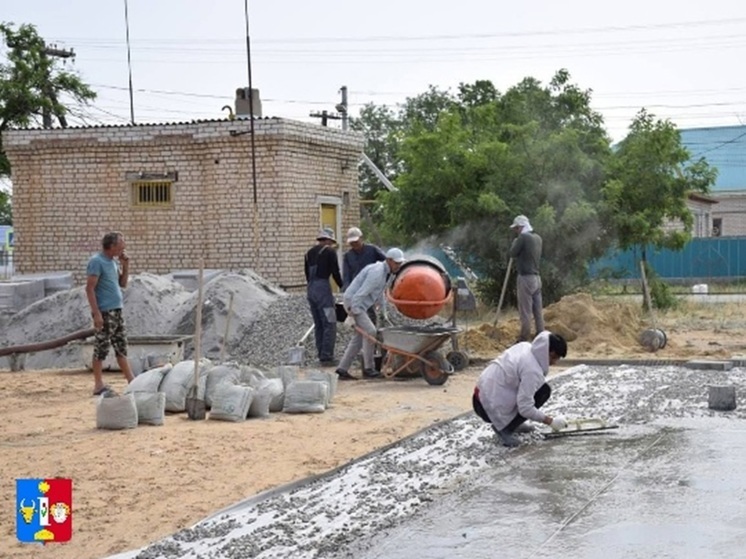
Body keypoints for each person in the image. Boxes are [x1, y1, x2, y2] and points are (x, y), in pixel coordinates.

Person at [472, 331, 568, 447]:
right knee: (543, 392)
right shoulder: (532, 371)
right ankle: (505, 429)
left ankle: (512, 423)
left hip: (479, 396)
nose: (554, 362)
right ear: (545, 351)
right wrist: (550, 421)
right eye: (553, 357)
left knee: (540, 388)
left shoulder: (525, 346)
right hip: (487, 408)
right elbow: (525, 408)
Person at [335, 247, 406, 381]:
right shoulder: (377, 273)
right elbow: (361, 293)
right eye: (397, 263)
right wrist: (351, 312)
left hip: (358, 303)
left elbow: (380, 293)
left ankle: (342, 369)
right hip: (355, 303)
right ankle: (369, 369)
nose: (399, 266)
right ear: (389, 260)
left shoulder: (386, 272)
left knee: (358, 339)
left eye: (400, 263)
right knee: (370, 331)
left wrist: (384, 312)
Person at [85, 231, 135, 396]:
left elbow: (122, 283)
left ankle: (131, 381)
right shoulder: (96, 262)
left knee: (121, 347)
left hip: (117, 310)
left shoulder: (113, 262)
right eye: (121, 244)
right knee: (101, 348)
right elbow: (90, 288)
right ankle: (98, 385)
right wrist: (96, 314)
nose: (124, 247)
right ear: (112, 246)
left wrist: (125, 266)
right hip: (105, 312)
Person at [304, 228, 344, 366]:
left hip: (310, 290)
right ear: (328, 240)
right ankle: (327, 356)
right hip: (322, 290)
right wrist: (343, 287)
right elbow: (335, 272)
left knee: (319, 324)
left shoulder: (308, 253)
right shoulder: (329, 252)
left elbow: (307, 276)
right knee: (330, 322)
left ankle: (321, 353)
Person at [509, 214, 544, 342]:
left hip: (525, 278)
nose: (515, 231)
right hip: (536, 278)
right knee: (538, 311)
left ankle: (524, 338)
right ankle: (541, 335)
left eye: (516, 228)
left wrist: (515, 242)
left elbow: (512, 253)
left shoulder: (523, 238)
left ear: (521, 227)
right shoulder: (538, 238)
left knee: (525, 311)